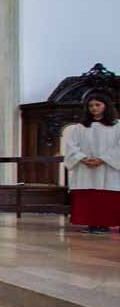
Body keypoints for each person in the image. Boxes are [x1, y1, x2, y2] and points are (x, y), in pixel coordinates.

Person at [64, 93, 120, 233]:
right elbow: (71, 146)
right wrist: (82, 158)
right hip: (85, 168)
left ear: (106, 106)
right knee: (88, 197)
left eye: (97, 105)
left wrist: (103, 159)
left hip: (108, 168)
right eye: (90, 106)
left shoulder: (117, 125)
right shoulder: (81, 127)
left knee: (106, 198)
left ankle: (105, 224)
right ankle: (91, 223)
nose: (94, 108)